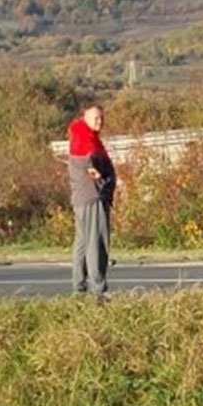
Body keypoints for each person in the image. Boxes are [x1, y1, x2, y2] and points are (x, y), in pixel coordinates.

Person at [67, 104, 116, 300]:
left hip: (82, 199)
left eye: (101, 118)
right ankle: (99, 291)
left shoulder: (85, 138)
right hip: (93, 198)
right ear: (85, 118)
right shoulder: (85, 141)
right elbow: (90, 165)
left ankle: (78, 289)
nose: (100, 122)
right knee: (96, 243)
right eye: (95, 118)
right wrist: (100, 177)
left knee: (82, 243)